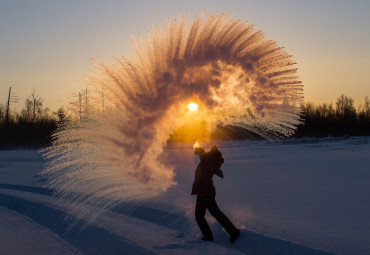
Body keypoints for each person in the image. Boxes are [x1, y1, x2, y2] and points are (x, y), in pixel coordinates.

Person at [192, 145, 240, 243]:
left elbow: (213, 168)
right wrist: (200, 149)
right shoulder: (206, 160)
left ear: (212, 155)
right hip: (204, 192)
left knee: (202, 215)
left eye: (209, 152)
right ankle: (213, 235)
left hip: (206, 193)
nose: (207, 153)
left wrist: (219, 172)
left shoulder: (209, 162)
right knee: (211, 214)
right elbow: (203, 156)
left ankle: (230, 232)